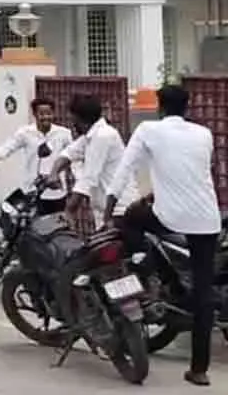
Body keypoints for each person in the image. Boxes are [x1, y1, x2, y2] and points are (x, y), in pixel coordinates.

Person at [107, 85, 220, 387]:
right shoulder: (204, 134)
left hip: (168, 217)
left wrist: (109, 205)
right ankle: (199, 369)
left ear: (159, 105)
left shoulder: (148, 130)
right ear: (189, 106)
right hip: (207, 219)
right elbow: (193, 174)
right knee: (203, 295)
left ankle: (146, 272)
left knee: (128, 221)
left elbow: (124, 168)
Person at [51, 94, 138, 234]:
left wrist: (69, 210)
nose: (72, 122)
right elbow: (68, 153)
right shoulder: (90, 136)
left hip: (120, 210)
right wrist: (53, 173)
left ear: (79, 118)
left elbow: (89, 177)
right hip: (105, 212)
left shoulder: (103, 136)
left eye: (72, 118)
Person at [0, 98, 73, 215]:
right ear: (34, 114)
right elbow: (9, 146)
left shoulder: (63, 133)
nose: (45, 117)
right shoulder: (25, 133)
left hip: (56, 192)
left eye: (49, 113)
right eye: (42, 114)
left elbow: (73, 155)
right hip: (31, 191)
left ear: (53, 113)